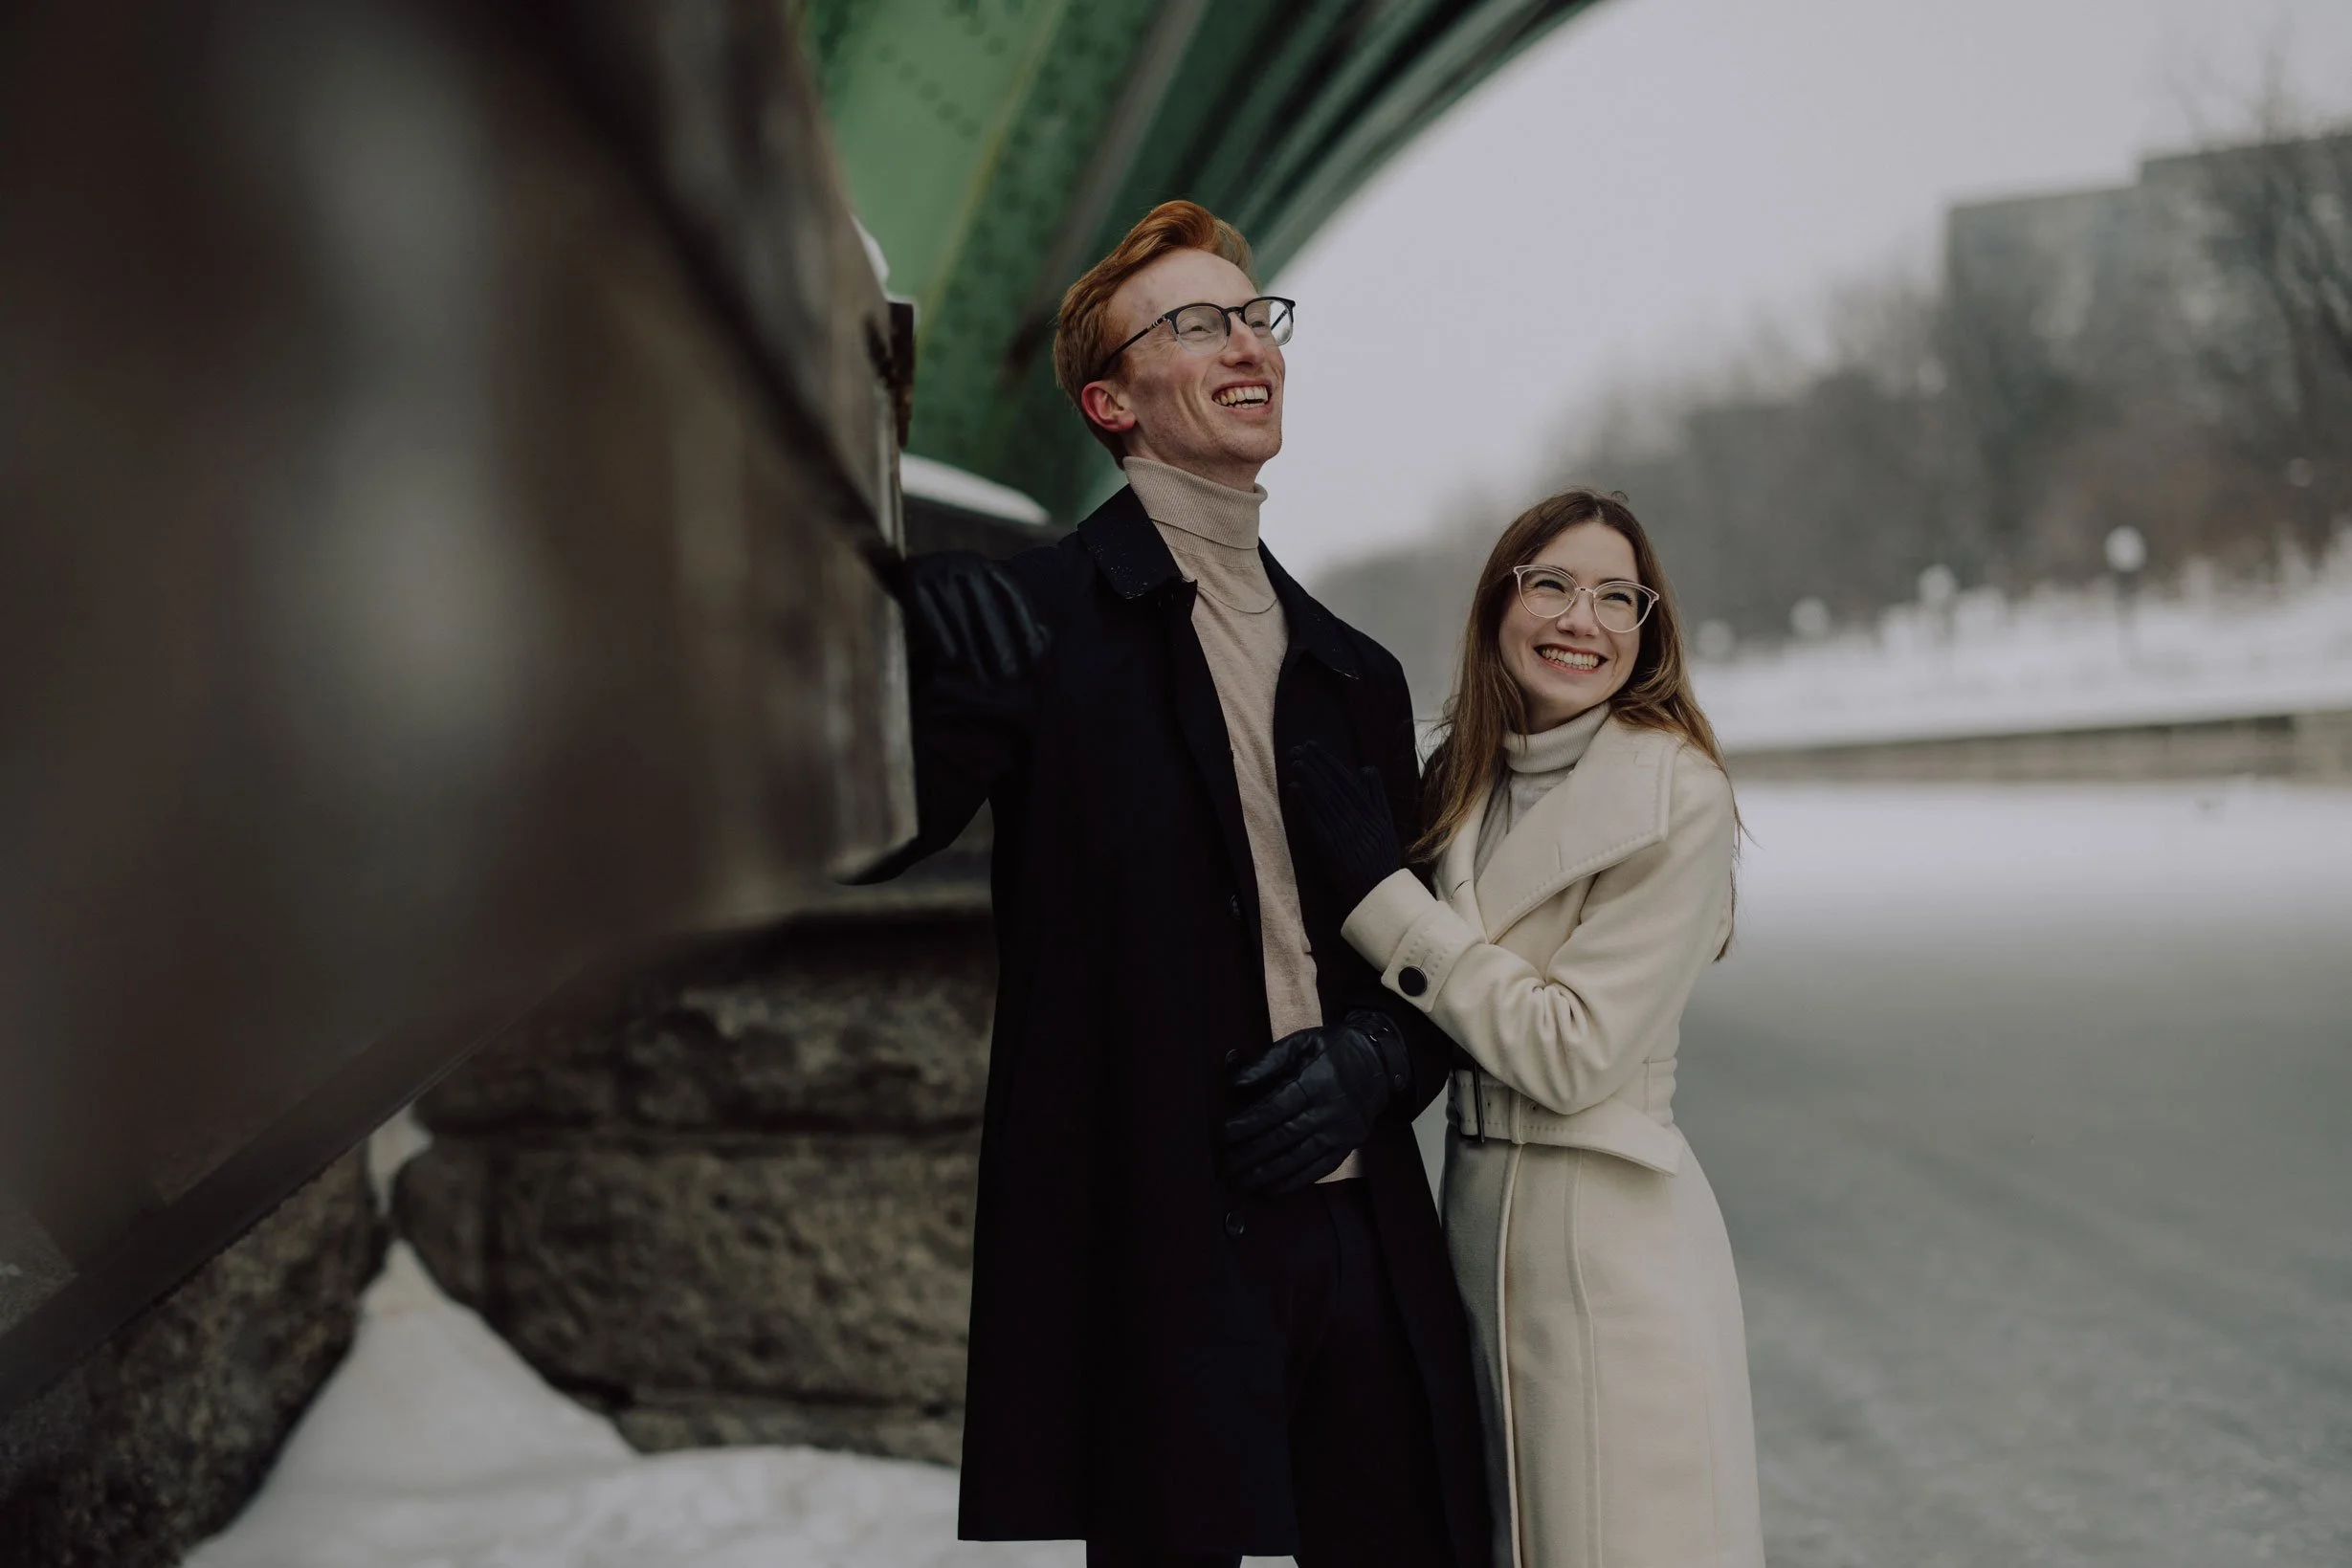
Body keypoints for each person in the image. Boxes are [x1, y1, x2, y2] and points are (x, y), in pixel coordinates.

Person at [862, 200, 1488, 1567]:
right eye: (1195, 323)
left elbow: (1435, 957)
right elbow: (868, 837)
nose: (1245, 343)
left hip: (1360, 1238)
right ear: (1111, 398)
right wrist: (920, 701)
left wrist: (1376, 1060)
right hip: (1163, 1245)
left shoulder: (1354, 673)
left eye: (1254, 316)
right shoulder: (1031, 622)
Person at [1283, 490, 1765, 1568]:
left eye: (1613, 597)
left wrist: (1383, 898)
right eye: (1548, 583)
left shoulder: (1672, 794)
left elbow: (1571, 1048)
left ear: (1647, 630)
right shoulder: (1466, 775)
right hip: (1476, 1230)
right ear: (1499, 601)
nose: (1578, 619)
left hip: (1611, 1244)